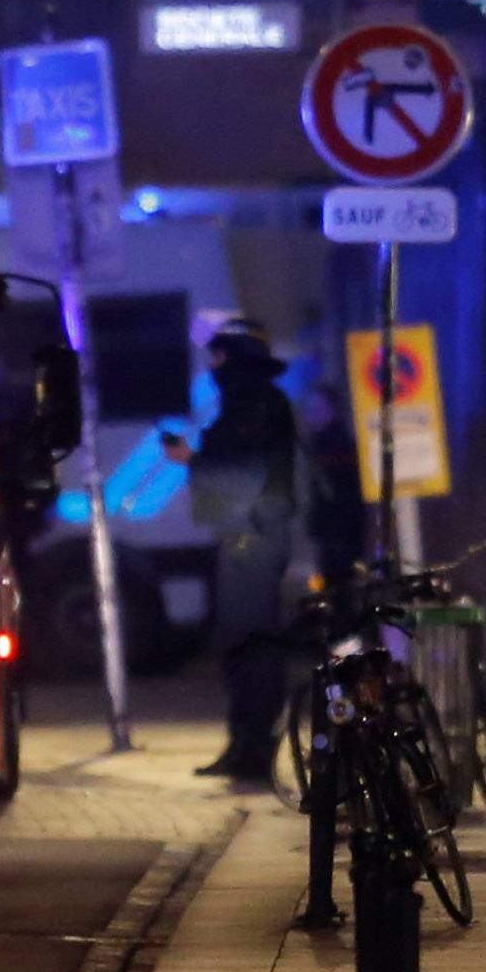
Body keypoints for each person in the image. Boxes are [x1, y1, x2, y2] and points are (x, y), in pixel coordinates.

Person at [163, 318, 298, 782]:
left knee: (252, 641)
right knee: (242, 641)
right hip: (244, 536)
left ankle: (253, 747)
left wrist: (192, 459)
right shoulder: (253, 403)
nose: (213, 364)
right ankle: (244, 743)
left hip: (253, 537)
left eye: (219, 355)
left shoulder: (256, 405)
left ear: (236, 357)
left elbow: (241, 471)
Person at [300, 382, 367, 590]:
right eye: (309, 410)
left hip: (340, 537)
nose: (312, 416)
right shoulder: (318, 445)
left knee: (338, 589)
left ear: (333, 411)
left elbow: (339, 494)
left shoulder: (335, 447)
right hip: (334, 536)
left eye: (318, 409)